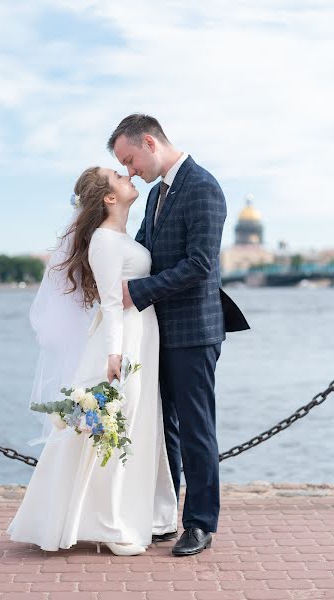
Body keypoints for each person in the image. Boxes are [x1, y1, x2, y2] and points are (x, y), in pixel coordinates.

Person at [6, 166, 177, 556]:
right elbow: (112, 302)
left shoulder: (118, 236)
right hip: (123, 341)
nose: (128, 175)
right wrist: (115, 353)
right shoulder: (103, 240)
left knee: (135, 425)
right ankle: (111, 524)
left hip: (140, 335)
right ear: (109, 198)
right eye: (118, 175)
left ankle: (135, 515)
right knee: (118, 428)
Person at [107, 114, 250, 557]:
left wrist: (136, 292)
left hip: (194, 332)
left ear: (149, 142)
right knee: (162, 427)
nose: (131, 170)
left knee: (195, 429)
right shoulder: (154, 197)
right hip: (157, 332)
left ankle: (201, 524)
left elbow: (200, 265)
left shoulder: (203, 187)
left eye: (130, 159)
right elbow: (146, 252)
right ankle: (166, 518)